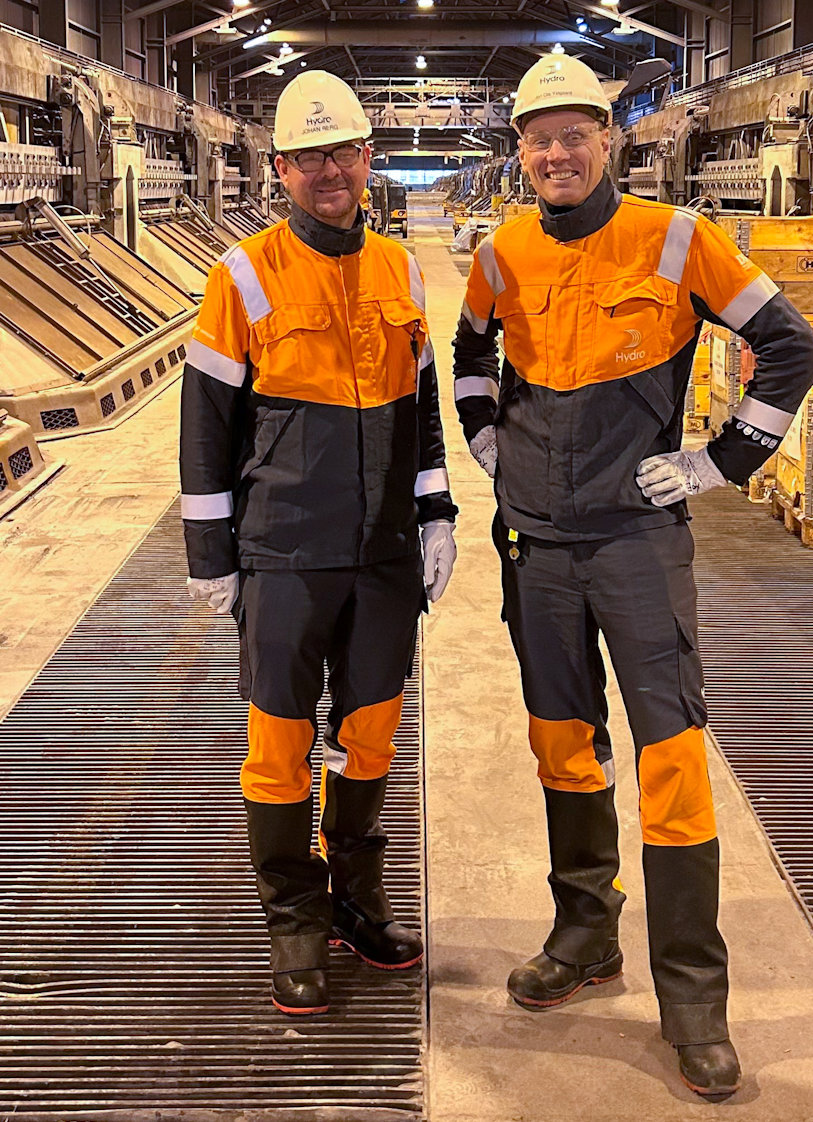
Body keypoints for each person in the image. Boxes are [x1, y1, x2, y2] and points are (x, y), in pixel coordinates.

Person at [452, 52, 813, 1098]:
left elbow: (786, 347)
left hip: (633, 542)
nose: (556, 153)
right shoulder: (503, 250)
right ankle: (584, 935)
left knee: (669, 756)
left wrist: (721, 462)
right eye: (538, 138)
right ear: (518, 153)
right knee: (561, 741)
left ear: (609, 140)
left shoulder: (677, 239)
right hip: (533, 539)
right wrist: (484, 441)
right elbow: (469, 351)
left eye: (575, 134)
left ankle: (691, 997)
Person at [180, 69, 457, 1017]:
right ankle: (293, 920)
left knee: (372, 733)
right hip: (285, 553)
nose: (328, 171)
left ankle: (356, 898)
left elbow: (419, 411)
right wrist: (211, 557)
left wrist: (438, 511)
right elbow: (207, 425)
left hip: (382, 556)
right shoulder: (244, 274)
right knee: (280, 746)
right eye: (308, 157)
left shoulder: (400, 269)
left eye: (342, 152)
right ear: (281, 169)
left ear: (367, 160)